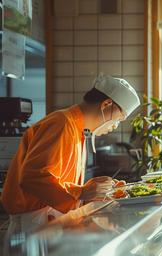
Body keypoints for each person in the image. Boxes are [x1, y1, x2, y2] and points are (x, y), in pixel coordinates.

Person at [1, 74, 140, 233]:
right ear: (106, 104)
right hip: (32, 223)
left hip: (48, 219)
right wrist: (81, 192)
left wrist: (88, 190)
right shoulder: (62, 123)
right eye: (118, 119)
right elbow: (33, 177)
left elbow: (55, 180)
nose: (115, 126)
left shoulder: (76, 128)